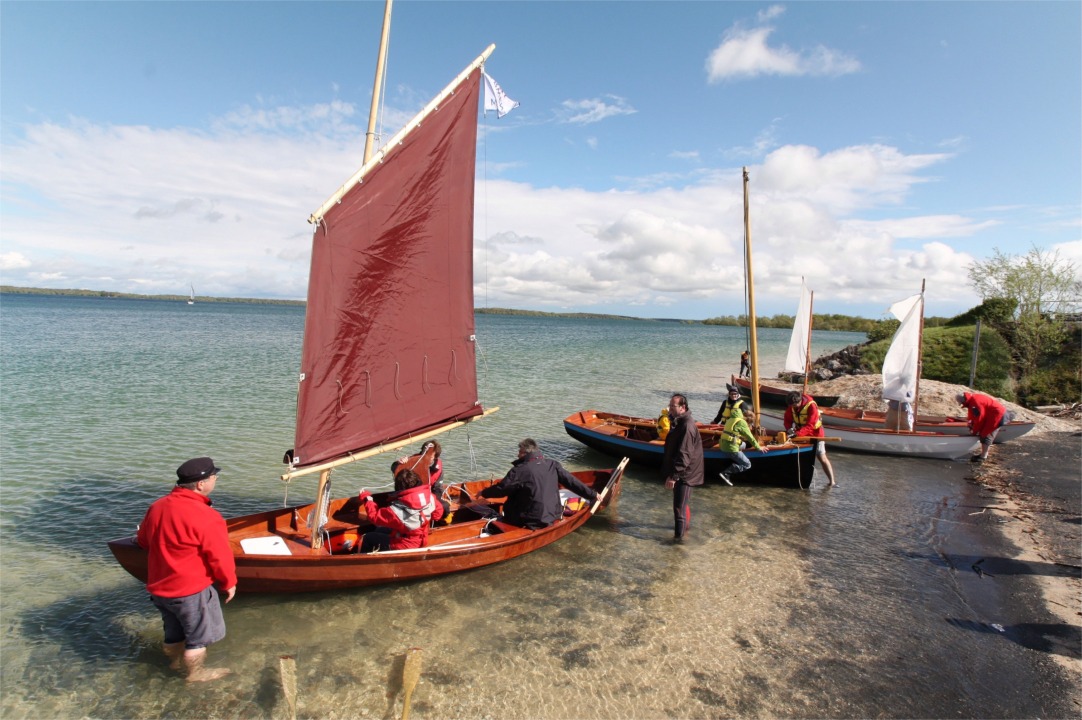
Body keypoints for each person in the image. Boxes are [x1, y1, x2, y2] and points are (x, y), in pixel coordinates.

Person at [136, 456, 236, 682]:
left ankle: (173, 663)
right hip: (190, 591)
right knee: (197, 640)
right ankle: (196, 674)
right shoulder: (206, 516)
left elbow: (143, 541)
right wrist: (229, 583)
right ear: (201, 484)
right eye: (214, 477)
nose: (216, 479)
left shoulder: (157, 506)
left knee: (173, 634)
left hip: (159, 590)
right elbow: (219, 556)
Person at [479, 438, 598, 529]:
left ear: (525, 453)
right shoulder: (552, 464)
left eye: (519, 452)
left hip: (529, 520)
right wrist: (592, 495)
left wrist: (483, 493)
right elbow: (572, 482)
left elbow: (501, 489)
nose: (517, 455)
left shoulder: (520, 470)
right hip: (552, 516)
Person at [357, 468, 444, 552]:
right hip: (422, 538)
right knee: (380, 530)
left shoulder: (396, 509)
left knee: (368, 538)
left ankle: (363, 564)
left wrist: (367, 499)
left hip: (405, 545)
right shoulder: (430, 497)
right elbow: (438, 514)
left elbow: (374, 517)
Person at [661, 393, 704, 542]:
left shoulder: (686, 425)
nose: (670, 409)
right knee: (682, 505)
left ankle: (677, 542)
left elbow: (684, 454)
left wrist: (674, 476)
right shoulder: (680, 422)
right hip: (683, 472)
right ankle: (685, 529)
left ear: (683, 407)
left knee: (678, 508)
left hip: (685, 474)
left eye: (673, 406)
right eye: (670, 405)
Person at [783, 391, 836, 487]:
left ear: (799, 401)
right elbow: (787, 420)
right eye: (791, 406)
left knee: (822, 457)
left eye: (795, 405)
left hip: (815, 434)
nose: (793, 407)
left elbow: (810, 425)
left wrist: (798, 434)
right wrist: (789, 429)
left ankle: (832, 481)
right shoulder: (791, 406)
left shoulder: (811, 406)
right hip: (800, 434)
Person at [717, 407, 768, 486]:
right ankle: (726, 473)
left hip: (723, 445)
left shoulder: (731, 419)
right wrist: (758, 448)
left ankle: (738, 455)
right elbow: (750, 436)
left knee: (744, 444)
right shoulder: (742, 422)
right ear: (749, 421)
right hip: (730, 448)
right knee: (747, 464)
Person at [956, 391, 1011, 462]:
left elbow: (979, 419)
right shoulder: (972, 400)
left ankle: (983, 456)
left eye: (962, 403)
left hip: (998, 415)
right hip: (992, 414)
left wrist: (974, 432)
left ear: (964, 400)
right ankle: (984, 454)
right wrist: (970, 425)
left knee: (985, 434)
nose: (962, 405)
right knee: (983, 432)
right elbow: (972, 416)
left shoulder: (975, 403)